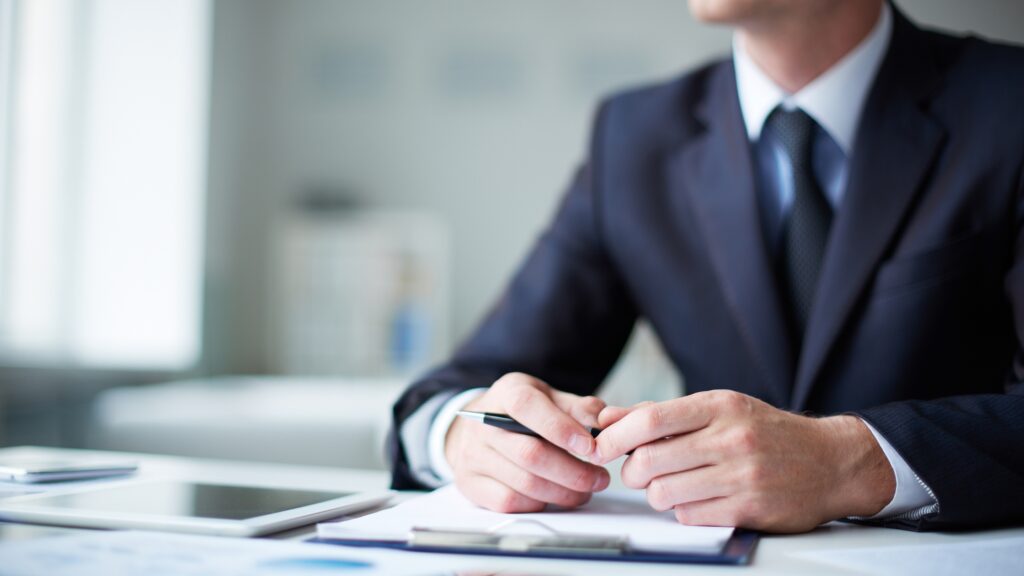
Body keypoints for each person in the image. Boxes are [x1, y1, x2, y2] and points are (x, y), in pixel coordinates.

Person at [388, 0, 1024, 533]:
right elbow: (455, 389)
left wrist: (846, 462)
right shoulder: (634, 137)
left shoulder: (1006, 106)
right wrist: (464, 435)